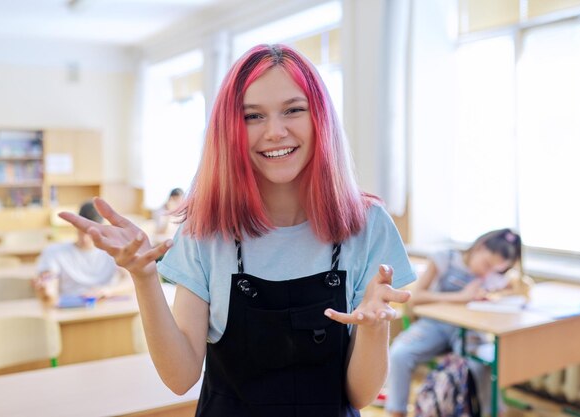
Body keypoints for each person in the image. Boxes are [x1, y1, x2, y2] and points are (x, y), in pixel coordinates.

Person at [59, 44, 416, 417]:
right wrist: (144, 277)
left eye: (293, 110)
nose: (275, 131)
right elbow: (180, 376)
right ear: (229, 130)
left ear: (320, 119)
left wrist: (375, 328)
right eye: (252, 116)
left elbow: (359, 395)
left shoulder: (366, 224)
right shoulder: (205, 229)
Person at [385, 228, 523, 417]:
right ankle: (396, 411)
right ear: (479, 248)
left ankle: (493, 413)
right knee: (400, 354)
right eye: (487, 264)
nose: (488, 272)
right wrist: (461, 296)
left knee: (482, 364)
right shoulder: (444, 259)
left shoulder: (491, 277)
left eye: (495, 270)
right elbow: (416, 297)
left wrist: (492, 295)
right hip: (433, 325)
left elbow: (517, 289)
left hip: (469, 329)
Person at [33, 201, 132, 306]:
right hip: (70, 311)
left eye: (91, 233)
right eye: (82, 231)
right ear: (75, 225)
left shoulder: (113, 251)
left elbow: (131, 282)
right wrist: (47, 290)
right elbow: (50, 283)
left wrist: (107, 291)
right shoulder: (54, 252)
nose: (85, 238)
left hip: (104, 308)